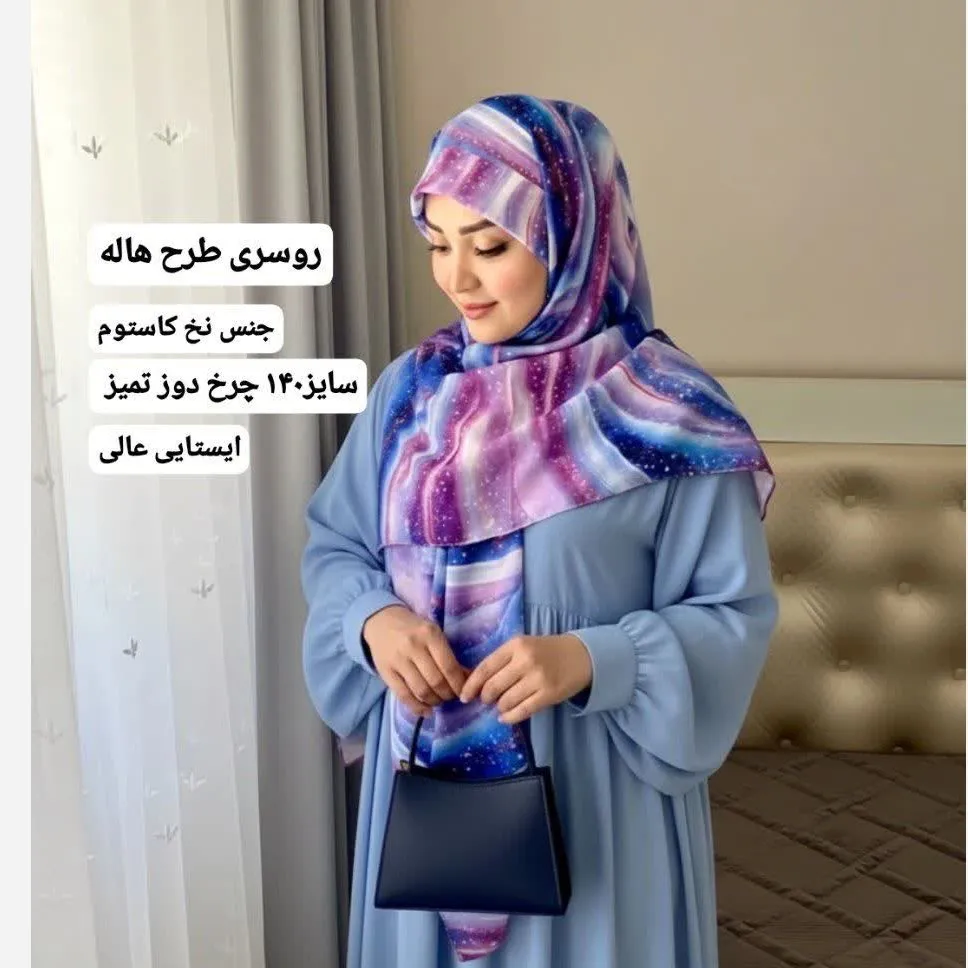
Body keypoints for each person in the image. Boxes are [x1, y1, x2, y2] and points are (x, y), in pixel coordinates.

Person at [301, 94, 778, 968]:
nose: (457, 278)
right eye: (438, 243)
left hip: (599, 800)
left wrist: (594, 659)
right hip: (423, 811)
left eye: (490, 246)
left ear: (572, 237)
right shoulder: (411, 394)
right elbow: (337, 548)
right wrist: (374, 620)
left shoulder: (669, 415)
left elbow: (733, 615)